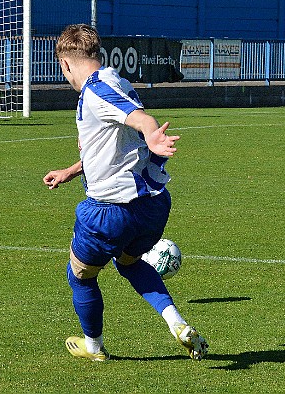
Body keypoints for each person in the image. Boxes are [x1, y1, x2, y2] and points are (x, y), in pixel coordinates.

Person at [43, 24, 208, 362]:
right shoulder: (117, 80)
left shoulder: (94, 90)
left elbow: (140, 119)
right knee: (130, 263)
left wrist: (151, 134)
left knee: (79, 276)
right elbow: (113, 146)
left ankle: (94, 346)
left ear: (66, 64)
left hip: (110, 211)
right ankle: (177, 324)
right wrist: (71, 171)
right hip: (152, 206)